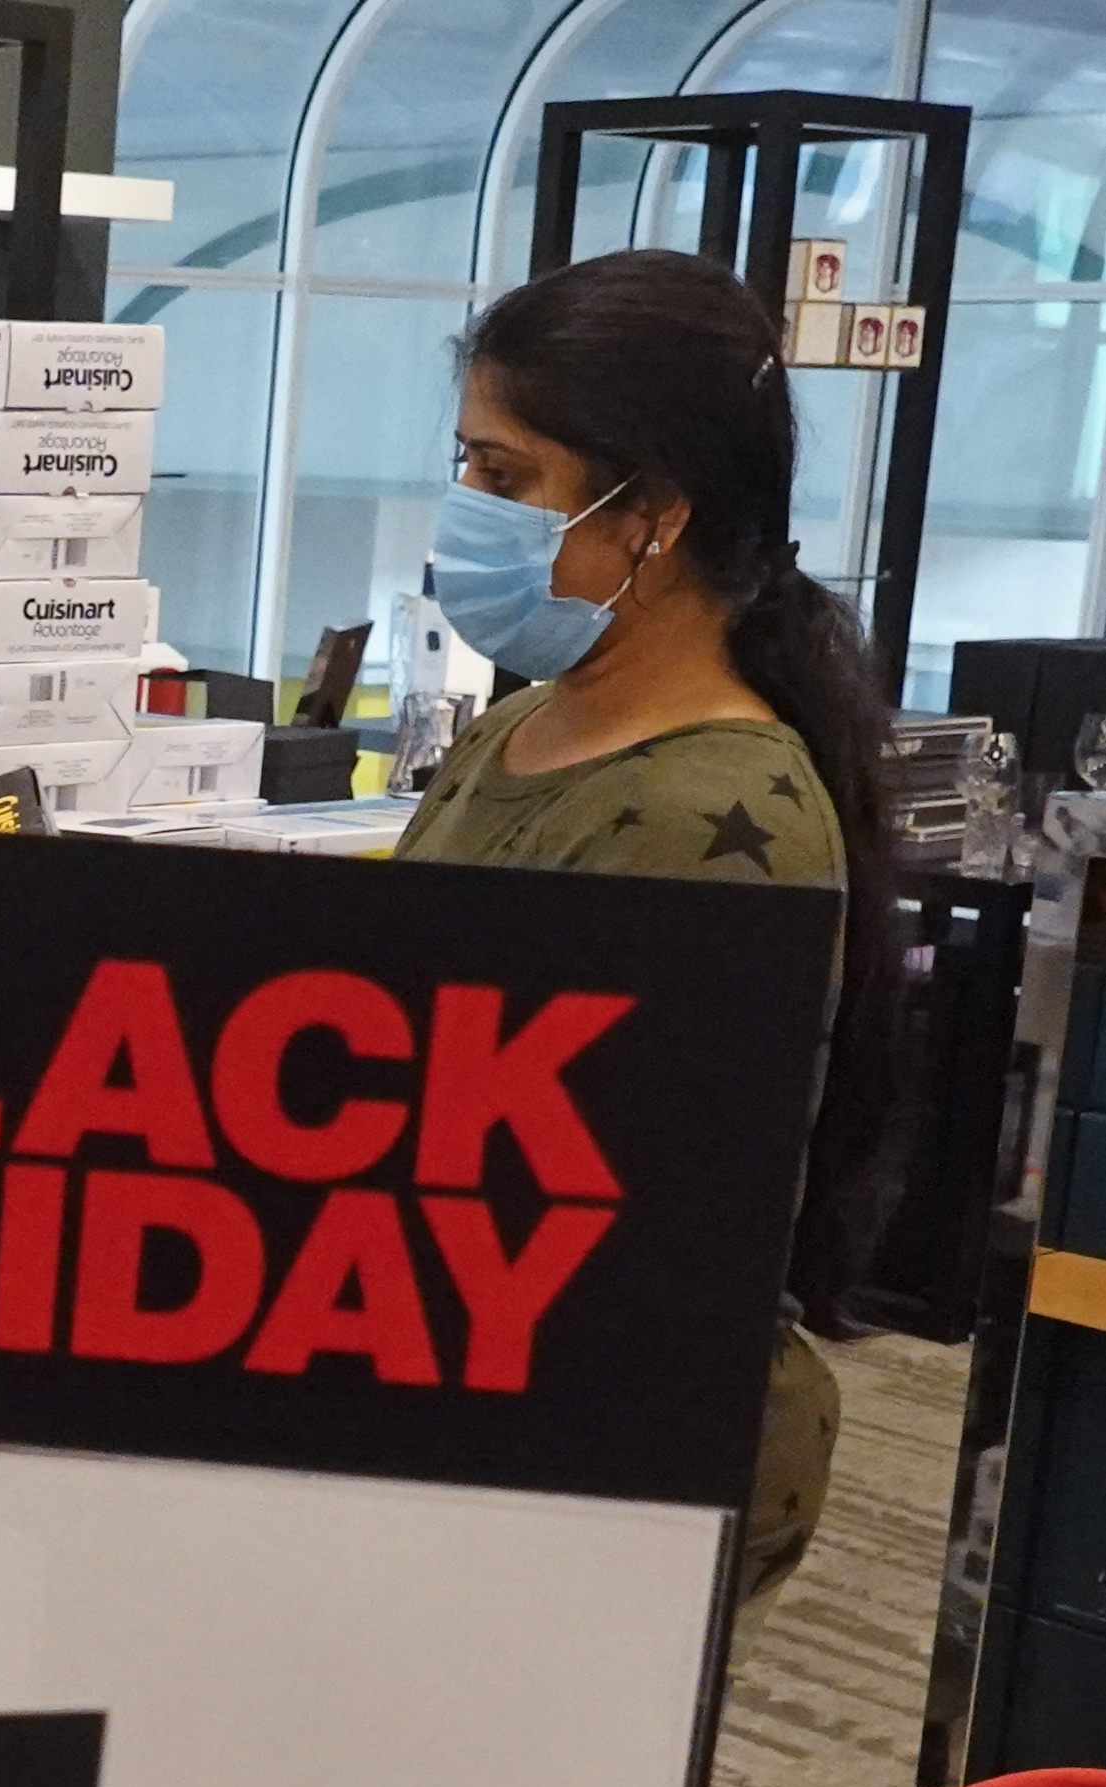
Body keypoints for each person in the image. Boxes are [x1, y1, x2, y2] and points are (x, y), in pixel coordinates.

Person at [396, 246, 905, 1621]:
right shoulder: (518, 728)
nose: (465, 510)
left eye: (506, 477)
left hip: (602, 1452)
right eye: (465, 465)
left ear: (652, 519)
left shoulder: (705, 817)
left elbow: (623, 1230)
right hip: (453, 1392)